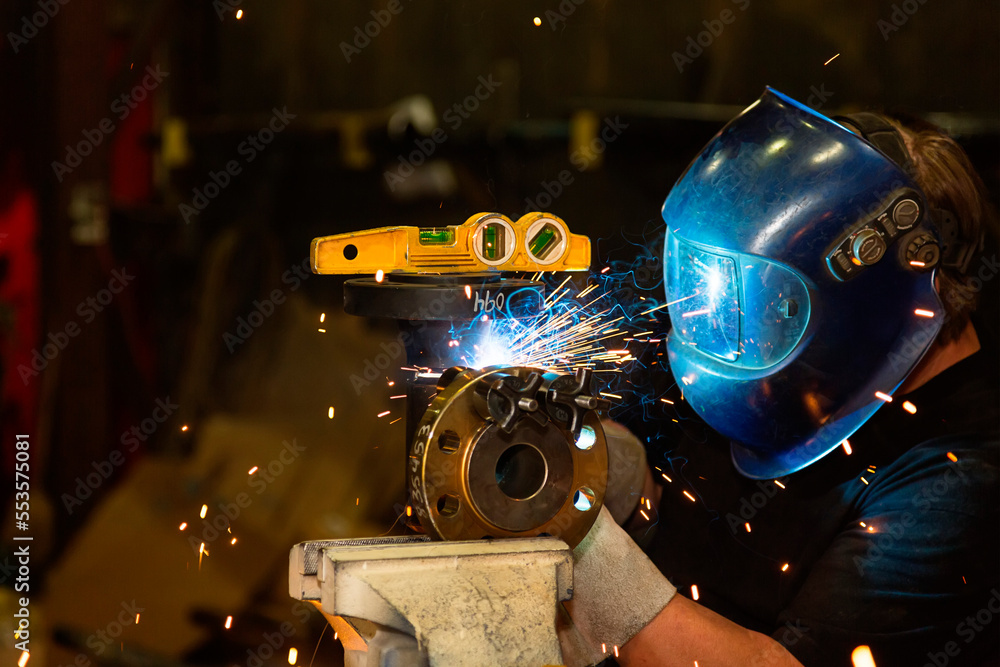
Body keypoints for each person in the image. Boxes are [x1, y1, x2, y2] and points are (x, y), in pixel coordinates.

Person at [559, 88, 999, 666]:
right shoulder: (792, 389)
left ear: (873, 293)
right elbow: (715, 542)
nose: (727, 326)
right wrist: (621, 484)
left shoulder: (964, 485)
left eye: (771, 306)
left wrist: (588, 551)